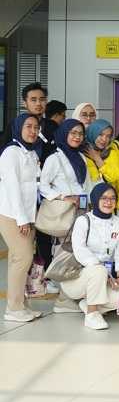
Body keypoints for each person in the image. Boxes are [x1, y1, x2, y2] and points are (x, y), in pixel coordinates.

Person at [57, 183, 119, 329]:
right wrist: (104, 272)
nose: (108, 202)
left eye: (112, 198)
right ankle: (91, 315)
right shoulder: (83, 220)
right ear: (95, 199)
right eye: (104, 198)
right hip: (77, 279)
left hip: (104, 278)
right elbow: (80, 250)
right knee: (98, 270)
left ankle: (89, 304)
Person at [0, 113, 42, 323]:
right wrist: (21, 219)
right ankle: (13, 308)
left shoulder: (32, 153)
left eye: (36, 127)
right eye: (28, 126)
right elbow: (12, 188)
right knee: (22, 258)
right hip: (11, 214)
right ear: (18, 128)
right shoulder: (10, 153)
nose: (33, 131)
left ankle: (22, 305)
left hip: (28, 215)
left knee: (22, 259)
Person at [39, 118, 92, 225]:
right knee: (66, 241)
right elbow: (43, 186)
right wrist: (64, 197)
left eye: (81, 134)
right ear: (64, 133)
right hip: (64, 211)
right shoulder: (55, 158)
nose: (77, 137)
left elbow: (87, 184)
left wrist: (90, 203)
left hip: (83, 209)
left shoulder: (81, 156)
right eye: (73, 133)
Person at [2, 82, 47, 148]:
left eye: (42, 99)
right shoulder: (14, 125)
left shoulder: (52, 126)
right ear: (25, 103)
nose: (38, 103)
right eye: (33, 100)